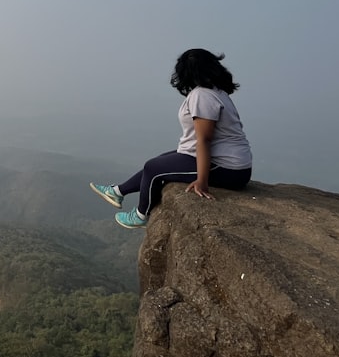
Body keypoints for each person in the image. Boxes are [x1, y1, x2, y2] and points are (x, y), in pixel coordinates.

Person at [90, 48, 253, 229]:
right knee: (162, 160)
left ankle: (141, 215)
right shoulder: (215, 92)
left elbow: (205, 139)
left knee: (153, 168)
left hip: (228, 169)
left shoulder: (203, 96)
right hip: (231, 165)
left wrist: (202, 181)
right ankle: (118, 191)